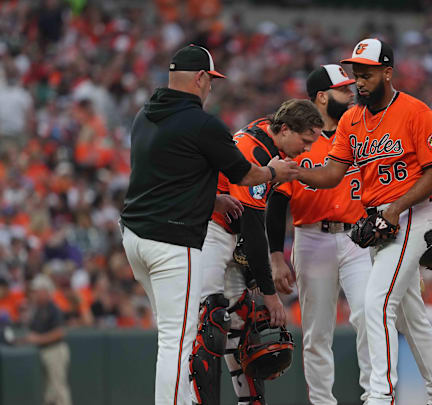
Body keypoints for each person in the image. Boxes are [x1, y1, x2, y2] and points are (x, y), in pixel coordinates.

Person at [120, 44, 297, 405]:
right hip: (171, 241)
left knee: (172, 334)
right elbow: (247, 174)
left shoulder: (144, 115)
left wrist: (212, 198)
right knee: (178, 341)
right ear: (200, 78)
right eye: (210, 81)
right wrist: (274, 171)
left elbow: (163, 173)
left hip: (135, 238)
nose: (211, 88)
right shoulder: (202, 123)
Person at [297, 38, 432, 405]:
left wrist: (398, 207)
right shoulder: (352, 119)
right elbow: (333, 173)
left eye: (367, 74)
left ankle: (380, 396)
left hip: (413, 216)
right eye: (356, 75)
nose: (360, 82)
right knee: (410, 315)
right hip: (381, 222)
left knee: (377, 302)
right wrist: (292, 173)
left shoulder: (415, 112)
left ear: (388, 72)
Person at [192, 98, 323, 405]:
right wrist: (270, 293)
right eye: (305, 141)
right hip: (208, 229)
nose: (306, 149)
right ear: (286, 129)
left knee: (241, 323)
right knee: (210, 322)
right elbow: (252, 226)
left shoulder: (267, 137)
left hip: (226, 230)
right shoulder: (255, 150)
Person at [265, 65, 371, 405]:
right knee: (317, 332)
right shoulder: (296, 142)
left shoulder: (359, 131)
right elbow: (276, 204)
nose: (351, 93)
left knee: (371, 317)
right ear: (322, 97)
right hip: (312, 236)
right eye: (343, 89)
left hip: (358, 237)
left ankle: (378, 397)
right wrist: (276, 255)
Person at [19, 275, 72, 405]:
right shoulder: (37, 309)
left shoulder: (53, 308)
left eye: (37, 291)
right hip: (44, 351)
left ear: (46, 291)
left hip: (55, 351)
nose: (34, 294)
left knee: (58, 389)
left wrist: (38, 339)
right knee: (49, 393)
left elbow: (59, 332)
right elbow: (32, 331)